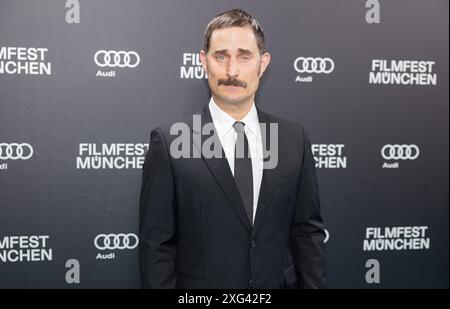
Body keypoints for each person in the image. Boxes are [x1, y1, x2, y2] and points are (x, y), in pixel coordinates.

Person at [139, 8, 326, 289]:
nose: (232, 71)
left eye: (244, 56)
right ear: (204, 61)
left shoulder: (293, 139)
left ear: (263, 64)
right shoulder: (171, 142)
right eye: (221, 56)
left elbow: (307, 233)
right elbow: (157, 245)